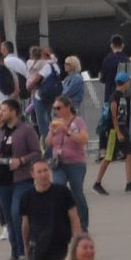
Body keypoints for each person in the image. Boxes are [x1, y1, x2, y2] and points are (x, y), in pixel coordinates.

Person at [0, 97, 43, 260]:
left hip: (21, 178)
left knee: (16, 212)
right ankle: (15, 252)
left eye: (4, 110)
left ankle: (25, 250)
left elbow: (36, 152)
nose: (0, 114)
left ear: (14, 112)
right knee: (8, 218)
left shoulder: (27, 130)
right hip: (3, 179)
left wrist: (21, 161)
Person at [21, 158, 82, 260]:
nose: (43, 174)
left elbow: (74, 218)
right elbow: (25, 225)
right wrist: (26, 247)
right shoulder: (27, 197)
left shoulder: (62, 192)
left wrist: (76, 243)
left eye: (45, 170)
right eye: (39, 172)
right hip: (37, 251)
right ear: (32, 174)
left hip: (60, 250)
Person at [46, 95, 92, 228]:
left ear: (67, 107)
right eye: (54, 108)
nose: (56, 111)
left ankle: (83, 224)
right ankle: (64, 222)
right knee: (58, 189)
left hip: (75, 163)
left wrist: (66, 131)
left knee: (77, 192)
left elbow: (84, 139)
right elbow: (48, 142)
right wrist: (52, 132)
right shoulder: (55, 122)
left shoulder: (78, 121)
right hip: (58, 162)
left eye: (59, 108)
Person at [93, 72, 131, 195]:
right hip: (114, 130)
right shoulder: (115, 96)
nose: (129, 84)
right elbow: (114, 115)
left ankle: (129, 183)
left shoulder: (122, 96)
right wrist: (118, 132)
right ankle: (97, 183)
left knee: (130, 154)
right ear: (125, 82)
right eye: (128, 82)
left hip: (121, 128)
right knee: (109, 156)